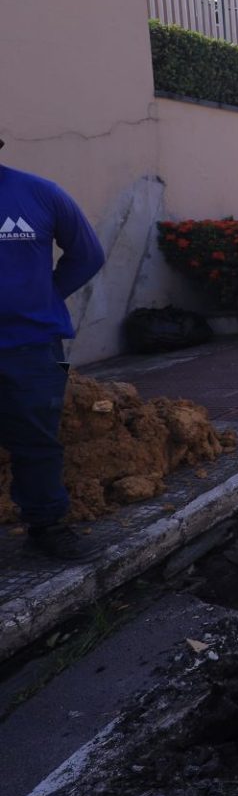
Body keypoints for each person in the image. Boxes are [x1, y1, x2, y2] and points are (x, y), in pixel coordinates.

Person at [0, 151, 105, 560]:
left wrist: (48, 296)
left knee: (38, 438)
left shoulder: (40, 194)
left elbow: (88, 255)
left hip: (37, 347)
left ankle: (46, 526)